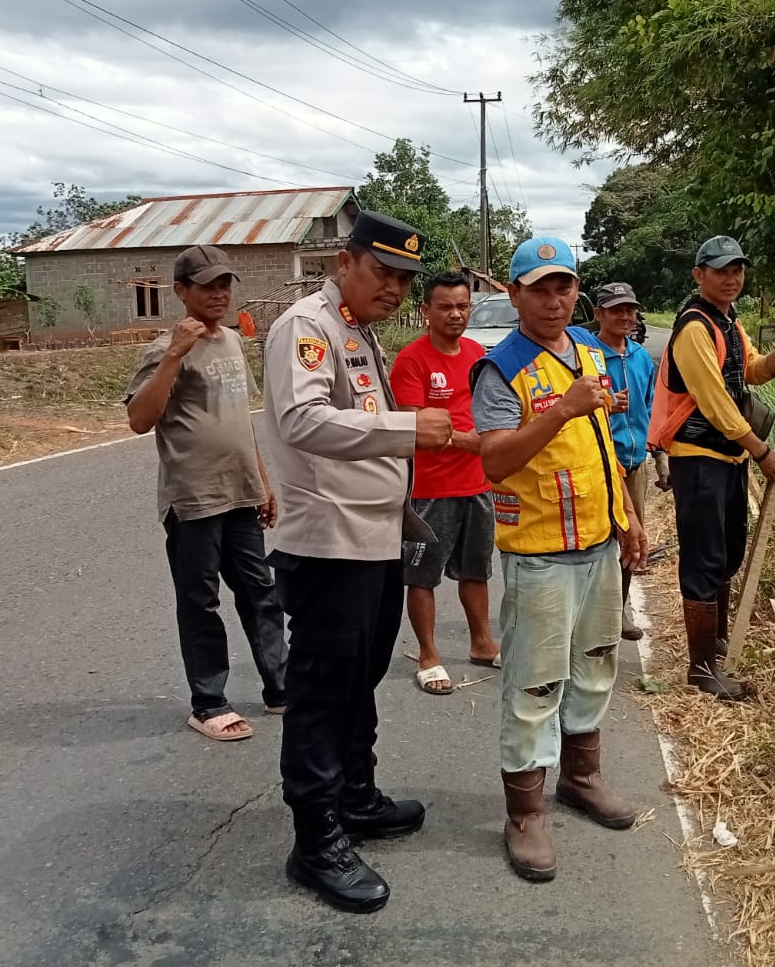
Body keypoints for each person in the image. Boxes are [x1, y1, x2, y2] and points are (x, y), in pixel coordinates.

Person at [262, 211, 453, 914]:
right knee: (321, 691)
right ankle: (315, 840)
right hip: (329, 544)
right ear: (345, 261)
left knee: (362, 677)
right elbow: (301, 421)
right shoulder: (306, 327)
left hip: (372, 539)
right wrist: (407, 428)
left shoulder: (357, 330)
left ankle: (356, 795)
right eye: (384, 273)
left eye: (406, 278)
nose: (396, 289)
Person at [472, 237, 647, 883]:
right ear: (514, 294)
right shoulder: (502, 368)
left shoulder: (587, 350)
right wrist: (562, 410)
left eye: (564, 287)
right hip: (541, 554)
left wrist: (628, 519)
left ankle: (580, 776)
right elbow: (494, 460)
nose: (554, 300)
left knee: (596, 665)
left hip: (599, 545)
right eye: (539, 288)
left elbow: (600, 443)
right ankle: (524, 812)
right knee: (535, 682)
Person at [124, 244, 287, 743]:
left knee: (261, 594)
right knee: (201, 602)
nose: (219, 294)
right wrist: (174, 353)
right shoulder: (163, 349)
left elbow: (240, 422)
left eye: (225, 285)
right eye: (207, 286)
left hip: (240, 494)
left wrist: (261, 481)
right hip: (194, 499)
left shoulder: (234, 341)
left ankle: (280, 687)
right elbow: (138, 419)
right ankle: (209, 702)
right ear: (181, 292)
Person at [648, 236, 775, 703]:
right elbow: (715, 402)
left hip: (728, 458)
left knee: (728, 551)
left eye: (737, 269)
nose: (731, 278)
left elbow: (750, 372)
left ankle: (715, 646)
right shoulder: (695, 326)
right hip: (699, 457)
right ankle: (700, 669)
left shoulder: (728, 322)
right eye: (720, 270)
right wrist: (761, 451)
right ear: (699, 275)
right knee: (704, 558)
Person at [390, 272, 501, 697]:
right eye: (445, 307)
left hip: (476, 484)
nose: (456, 314)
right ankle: (429, 655)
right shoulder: (412, 361)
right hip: (429, 491)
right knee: (422, 576)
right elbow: (414, 428)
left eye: (462, 306)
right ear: (426, 312)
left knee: (476, 571)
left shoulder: (475, 352)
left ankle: (481, 641)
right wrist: (470, 442)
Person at [591, 281, 659, 642]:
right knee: (599, 539)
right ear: (599, 314)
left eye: (630, 309)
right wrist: (604, 401)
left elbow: (650, 407)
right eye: (617, 309)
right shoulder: (587, 355)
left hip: (634, 462)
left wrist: (657, 452)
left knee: (632, 540)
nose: (626, 316)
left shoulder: (641, 357)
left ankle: (618, 612)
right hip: (601, 462)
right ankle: (595, 614)